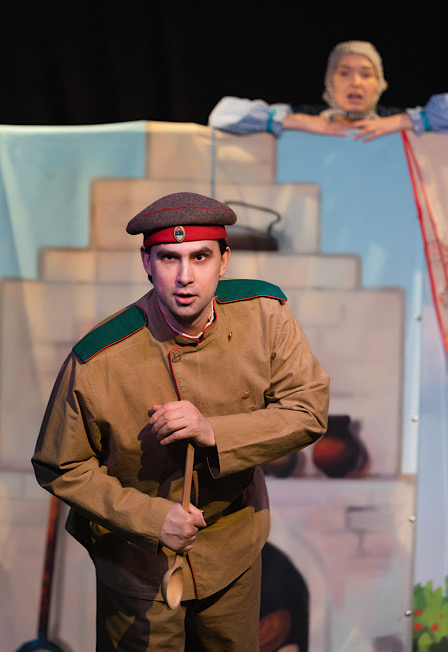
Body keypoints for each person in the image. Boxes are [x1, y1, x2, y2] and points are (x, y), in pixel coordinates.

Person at [32, 191, 330, 651]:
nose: (185, 276)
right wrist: (152, 519)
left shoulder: (265, 315)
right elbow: (60, 465)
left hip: (232, 549)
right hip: (136, 562)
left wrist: (215, 432)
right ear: (147, 263)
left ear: (224, 260)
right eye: (169, 258)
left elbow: (308, 408)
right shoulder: (97, 359)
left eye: (200, 257)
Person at [208, 40, 448, 142]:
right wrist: (297, 121)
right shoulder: (306, 114)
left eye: (366, 74)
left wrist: (408, 121)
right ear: (330, 81)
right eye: (344, 73)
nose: (356, 82)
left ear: (380, 83)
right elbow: (222, 115)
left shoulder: (393, 119)